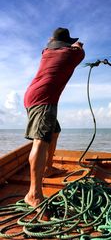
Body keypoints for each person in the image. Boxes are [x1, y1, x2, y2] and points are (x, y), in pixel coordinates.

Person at [24, 27, 85, 207]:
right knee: (40, 141)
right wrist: (76, 44)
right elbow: (80, 49)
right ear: (66, 43)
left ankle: (48, 168)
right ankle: (33, 194)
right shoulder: (71, 54)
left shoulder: (46, 52)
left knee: (55, 131)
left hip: (35, 96)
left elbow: (54, 45)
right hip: (43, 100)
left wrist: (60, 42)